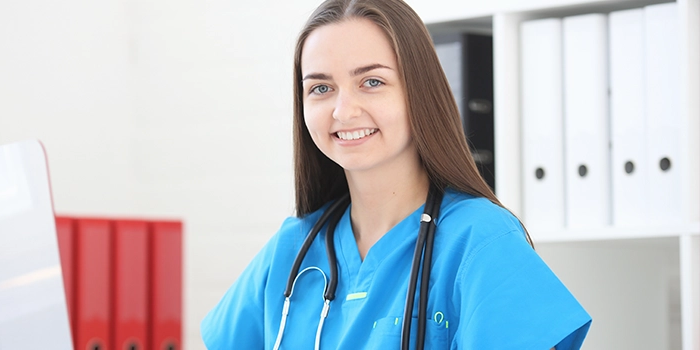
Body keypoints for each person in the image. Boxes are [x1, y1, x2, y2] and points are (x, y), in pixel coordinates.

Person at [201, 0, 591, 348]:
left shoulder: (480, 241)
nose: (343, 110)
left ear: (418, 91)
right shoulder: (293, 249)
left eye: (371, 82)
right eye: (320, 88)